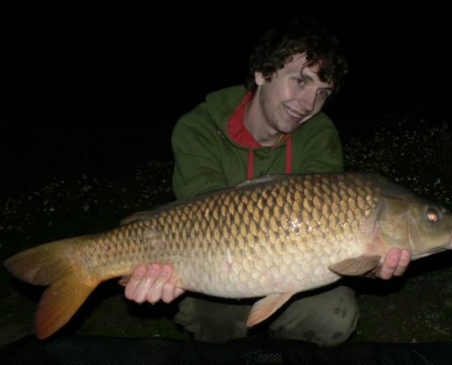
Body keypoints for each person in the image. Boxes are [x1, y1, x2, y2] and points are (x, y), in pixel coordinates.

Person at [123, 15, 411, 347]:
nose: (308, 105)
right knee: (211, 317)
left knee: (333, 315)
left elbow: (333, 230)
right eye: (300, 81)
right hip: (214, 261)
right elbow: (202, 221)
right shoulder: (198, 128)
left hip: (292, 268)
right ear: (262, 73)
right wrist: (163, 271)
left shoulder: (319, 134)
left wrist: (372, 261)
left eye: (322, 92)